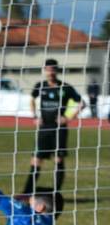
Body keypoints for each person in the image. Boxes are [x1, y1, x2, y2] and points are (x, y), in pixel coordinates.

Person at [23, 59, 84, 194]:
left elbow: (82, 103)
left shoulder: (65, 87)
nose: (50, 72)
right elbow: (32, 99)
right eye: (48, 69)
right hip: (44, 128)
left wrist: (68, 117)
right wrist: (34, 116)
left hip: (59, 129)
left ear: (57, 70)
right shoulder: (40, 85)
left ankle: (56, 192)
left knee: (58, 159)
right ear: (45, 70)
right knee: (36, 159)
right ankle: (26, 193)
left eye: (53, 69)